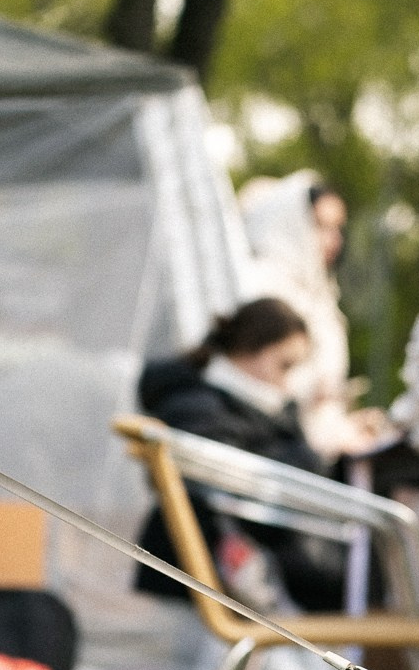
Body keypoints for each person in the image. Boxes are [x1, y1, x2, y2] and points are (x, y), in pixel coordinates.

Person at [135, 295, 350, 613]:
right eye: (285, 365)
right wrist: (316, 447)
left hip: (239, 572)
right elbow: (240, 482)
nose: (287, 380)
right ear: (254, 348)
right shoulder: (197, 405)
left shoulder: (251, 405)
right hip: (210, 576)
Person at [238, 170, 389, 458]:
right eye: (320, 226)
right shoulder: (260, 285)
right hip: (273, 454)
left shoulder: (321, 295)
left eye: (338, 228)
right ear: (290, 223)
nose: (333, 240)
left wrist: (343, 424)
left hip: (311, 453)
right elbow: (259, 387)